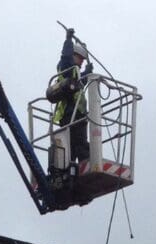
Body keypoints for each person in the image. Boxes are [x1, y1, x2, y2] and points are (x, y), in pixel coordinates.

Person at [50, 27, 92, 166]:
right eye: (81, 58)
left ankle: (75, 164)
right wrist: (68, 40)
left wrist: (88, 71)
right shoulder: (67, 67)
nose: (82, 62)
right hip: (70, 113)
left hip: (77, 114)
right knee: (78, 142)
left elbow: (80, 82)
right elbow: (66, 57)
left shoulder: (75, 72)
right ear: (74, 55)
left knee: (75, 145)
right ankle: (84, 163)